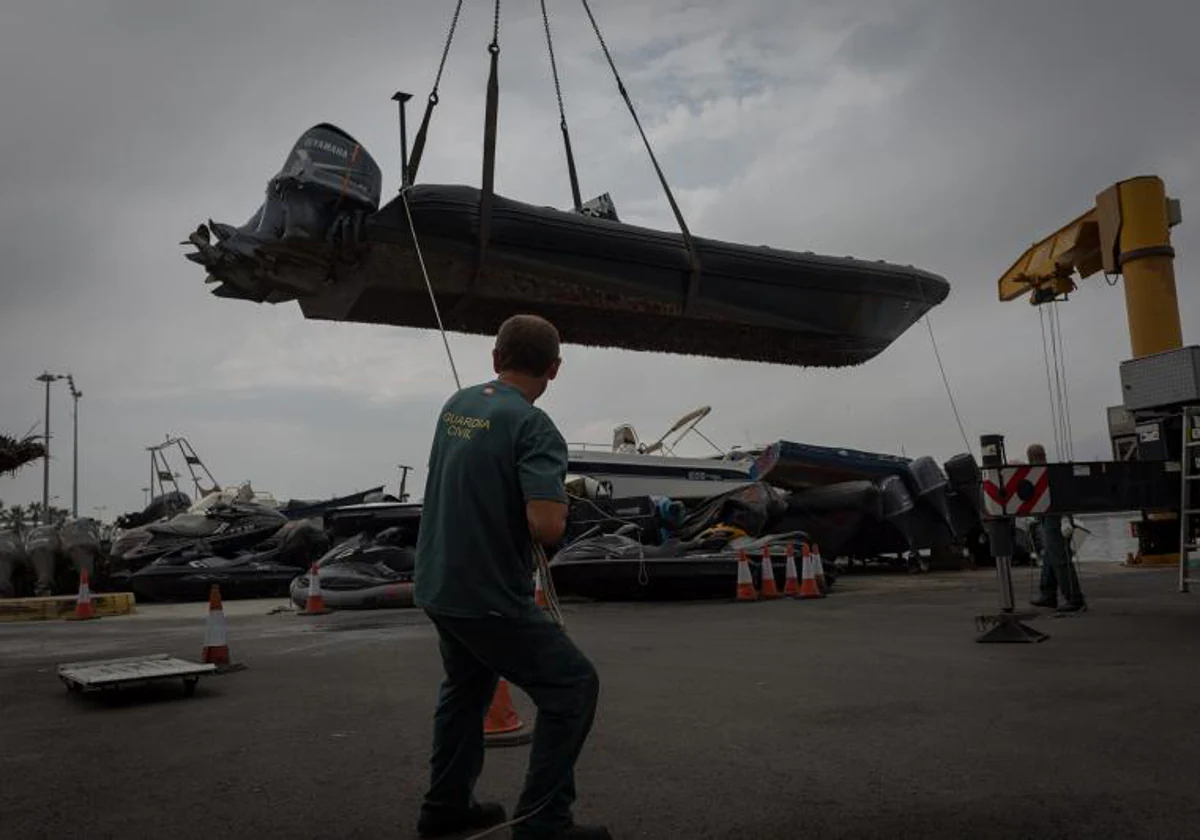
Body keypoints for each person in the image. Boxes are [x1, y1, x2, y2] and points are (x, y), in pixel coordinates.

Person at [414, 314, 609, 840]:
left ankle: (445, 808)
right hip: (488, 595)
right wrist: (560, 505)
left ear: (495, 359)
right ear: (554, 369)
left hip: (438, 583)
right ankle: (545, 823)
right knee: (572, 686)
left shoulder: (456, 405)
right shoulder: (535, 426)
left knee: (466, 686)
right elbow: (546, 527)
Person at [1026, 443, 1087, 613]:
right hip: (1053, 517)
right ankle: (1048, 594)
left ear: (1030, 457)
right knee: (1050, 556)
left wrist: (1065, 519)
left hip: (1056, 518)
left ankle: (1075, 599)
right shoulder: (1051, 472)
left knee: (1060, 558)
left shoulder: (1042, 474)